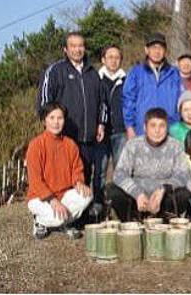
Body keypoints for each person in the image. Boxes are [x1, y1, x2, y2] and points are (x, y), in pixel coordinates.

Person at [36, 32, 106, 186]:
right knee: (63, 180)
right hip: (64, 138)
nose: (77, 49)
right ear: (65, 49)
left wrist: (101, 124)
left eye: (80, 45)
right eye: (73, 46)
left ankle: (84, 210)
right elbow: (44, 103)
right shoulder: (55, 71)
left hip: (87, 139)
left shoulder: (93, 73)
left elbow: (102, 102)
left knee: (84, 178)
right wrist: (52, 128)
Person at [107, 108, 190, 222]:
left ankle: (165, 220)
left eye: (162, 126)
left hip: (163, 196)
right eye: (153, 126)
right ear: (145, 127)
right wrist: (138, 193)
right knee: (114, 190)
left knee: (183, 193)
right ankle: (132, 221)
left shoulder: (176, 146)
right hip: (138, 195)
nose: (157, 130)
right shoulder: (133, 145)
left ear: (167, 128)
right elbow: (119, 174)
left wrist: (163, 189)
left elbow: (183, 175)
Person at [26, 102, 92, 240]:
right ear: (44, 121)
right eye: (52, 118)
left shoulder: (70, 144)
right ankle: (39, 221)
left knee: (87, 195)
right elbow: (35, 180)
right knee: (56, 218)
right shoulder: (36, 145)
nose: (56, 122)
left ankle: (64, 222)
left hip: (63, 195)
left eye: (60, 118)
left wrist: (79, 182)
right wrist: (52, 200)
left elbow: (77, 169)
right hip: (40, 197)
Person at [122, 33, 181, 139]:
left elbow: (180, 102)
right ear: (146, 50)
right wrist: (130, 127)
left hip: (169, 131)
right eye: (153, 47)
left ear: (165, 51)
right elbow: (128, 101)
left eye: (160, 47)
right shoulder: (136, 72)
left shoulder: (174, 73)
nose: (157, 51)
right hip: (142, 131)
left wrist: (176, 126)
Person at [92, 45, 127, 214]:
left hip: (121, 131)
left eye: (117, 57)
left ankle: (120, 205)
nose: (113, 60)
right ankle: (98, 204)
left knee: (121, 169)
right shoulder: (95, 79)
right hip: (101, 132)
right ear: (103, 59)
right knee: (100, 170)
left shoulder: (126, 80)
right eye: (110, 57)